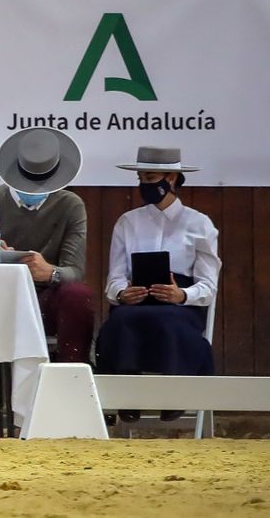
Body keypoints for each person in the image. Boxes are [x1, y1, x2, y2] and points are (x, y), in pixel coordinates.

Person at [97, 146, 221, 422]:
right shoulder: (127, 222)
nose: (144, 184)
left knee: (167, 320)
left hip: (180, 305)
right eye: (141, 178)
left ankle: (175, 393)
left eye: (151, 178)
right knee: (120, 322)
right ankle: (125, 396)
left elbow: (208, 285)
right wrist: (122, 293)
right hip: (136, 300)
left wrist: (182, 294)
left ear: (171, 178)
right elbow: (115, 277)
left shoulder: (199, 224)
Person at [0, 128, 96, 364]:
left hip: (45, 294)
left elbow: (75, 271)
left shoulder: (70, 205)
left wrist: (50, 272)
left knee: (78, 295)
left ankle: (72, 371)